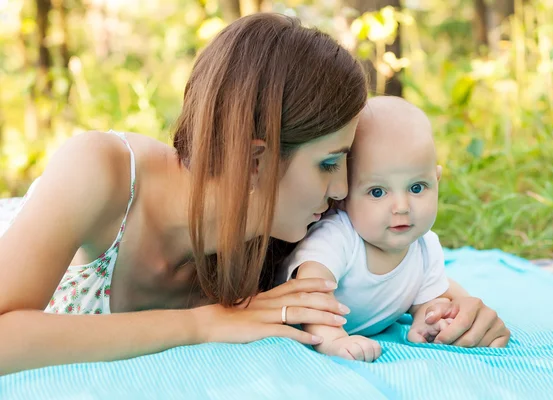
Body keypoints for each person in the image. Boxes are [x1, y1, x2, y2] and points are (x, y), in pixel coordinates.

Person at [0, 13, 507, 376]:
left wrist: (456, 306)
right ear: (257, 159)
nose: (340, 191)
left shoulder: (271, 233)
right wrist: (198, 325)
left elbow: (384, 255)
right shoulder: (101, 171)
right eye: (330, 164)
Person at [281, 96, 510, 362]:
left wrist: (430, 320)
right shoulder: (337, 237)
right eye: (377, 192)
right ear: (343, 197)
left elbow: (426, 299)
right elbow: (309, 293)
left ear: (436, 181)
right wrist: (334, 340)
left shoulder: (425, 245)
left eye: (416, 188)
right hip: (305, 327)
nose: (401, 207)